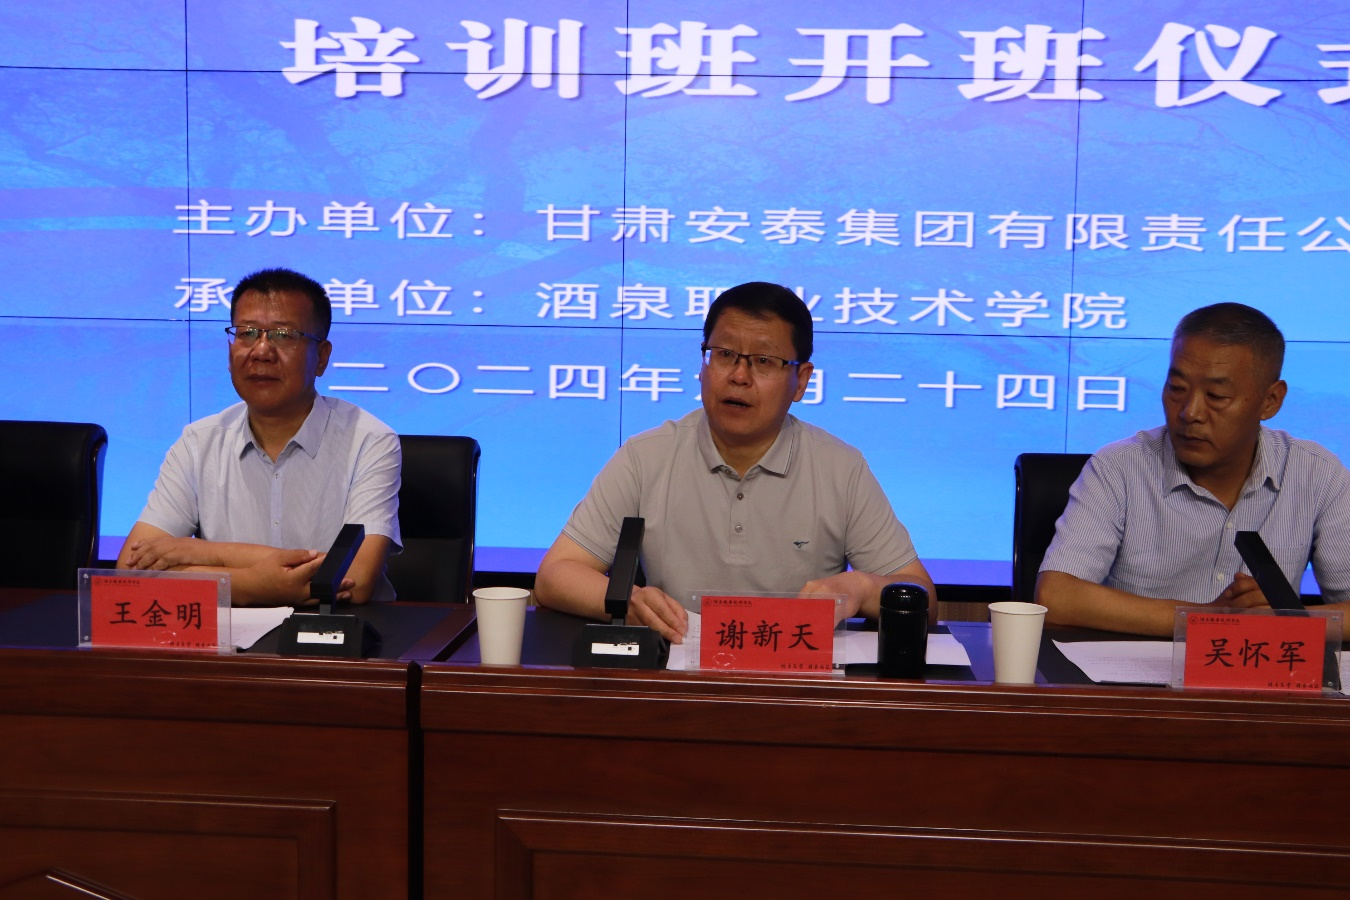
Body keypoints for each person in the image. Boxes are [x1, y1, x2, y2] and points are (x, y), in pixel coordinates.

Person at [534, 281, 934, 643]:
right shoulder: (646, 456)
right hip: (677, 677)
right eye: (724, 354)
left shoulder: (840, 468)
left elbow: (924, 599)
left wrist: (861, 588)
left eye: (764, 361)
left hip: (796, 679)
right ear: (703, 364)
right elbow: (555, 575)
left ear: (801, 381)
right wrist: (629, 601)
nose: (739, 376)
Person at [1037, 302, 1350, 636]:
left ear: (1270, 401)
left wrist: (1283, 623)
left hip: (1257, 663)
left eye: (1216, 395)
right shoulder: (1119, 467)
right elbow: (1056, 596)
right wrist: (1208, 620)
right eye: (1177, 389)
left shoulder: (1316, 474)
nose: (1190, 412)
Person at [116, 268, 401, 605]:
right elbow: (131, 571)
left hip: (335, 632)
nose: (261, 350)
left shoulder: (368, 441)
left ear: (322, 357)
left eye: (283, 335)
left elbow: (356, 578)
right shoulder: (198, 442)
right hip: (226, 637)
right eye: (247, 333)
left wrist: (200, 553)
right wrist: (255, 582)